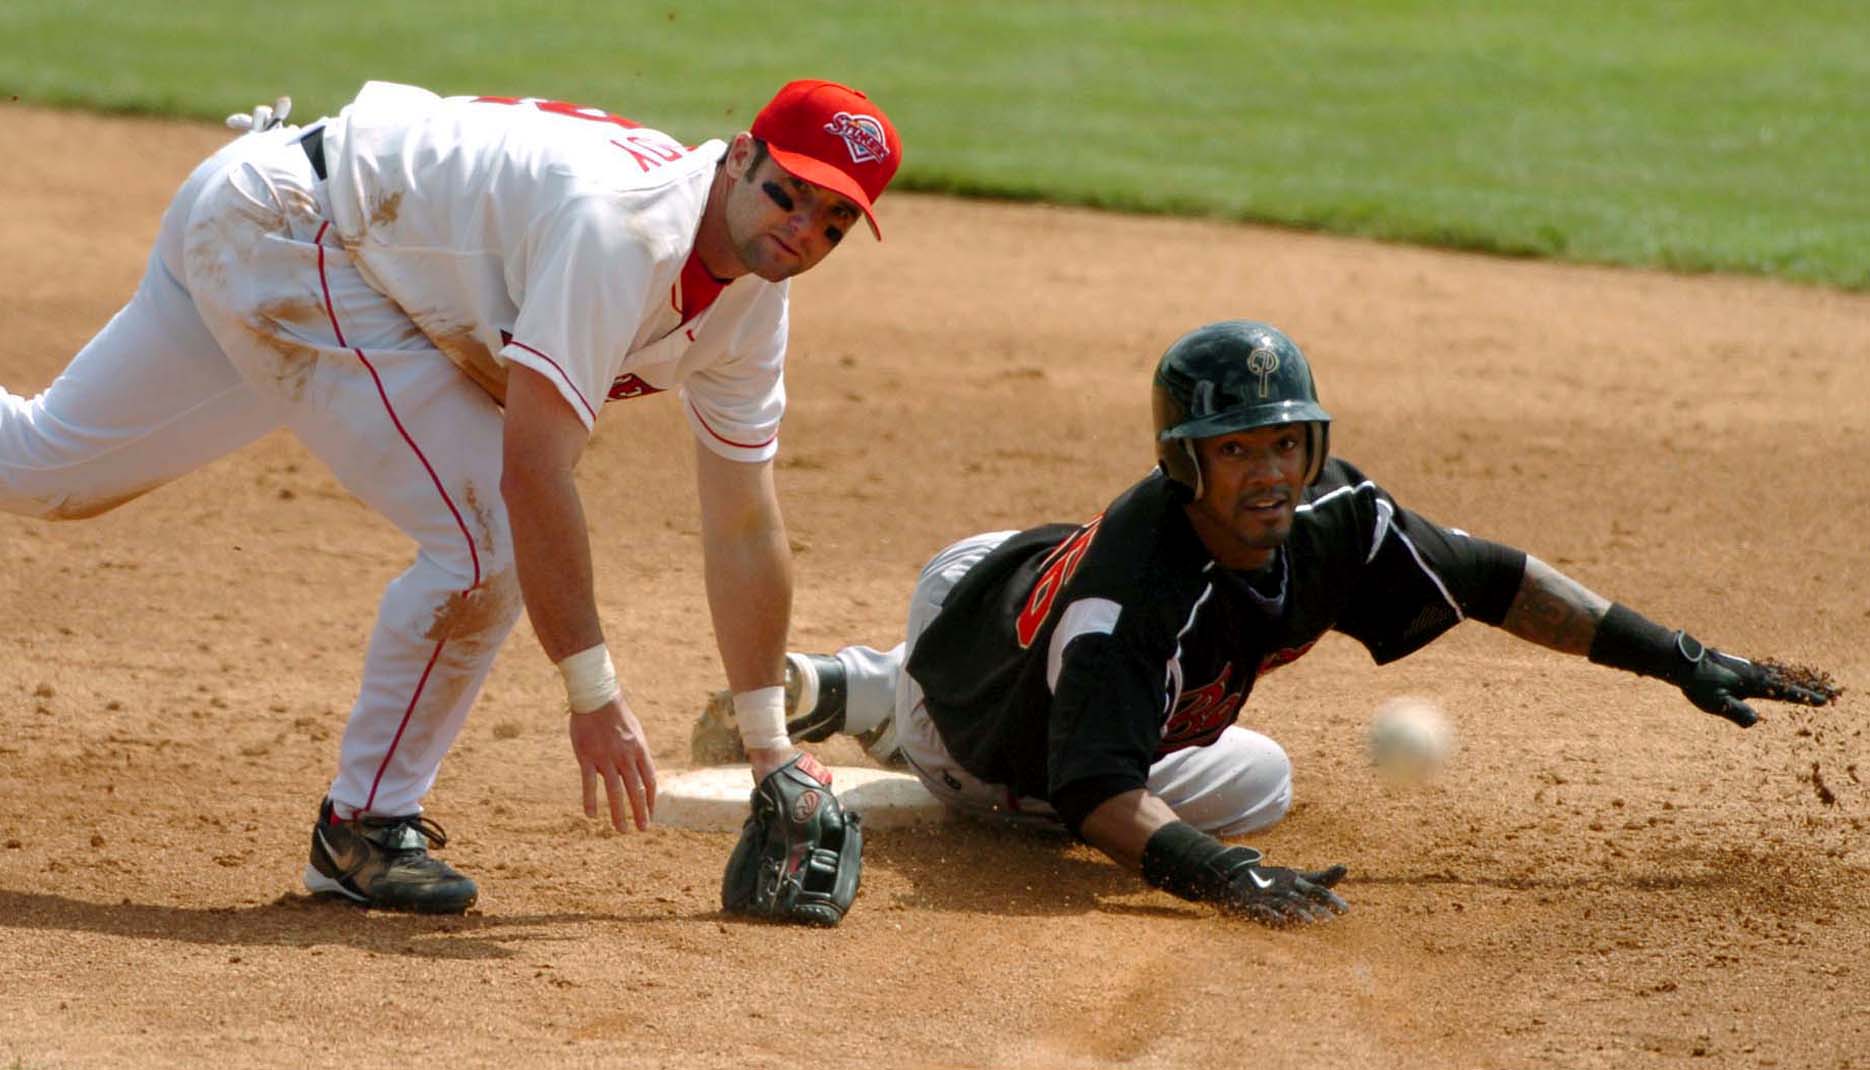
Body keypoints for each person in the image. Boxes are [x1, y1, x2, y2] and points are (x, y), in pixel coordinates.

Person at [0, 78, 903, 913]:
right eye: (789, 190)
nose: (801, 228)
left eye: (831, 220)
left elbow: (744, 521)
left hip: (311, 230)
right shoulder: (625, 232)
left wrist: (768, 744)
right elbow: (532, 472)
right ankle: (363, 828)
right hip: (291, 229)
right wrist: (592, 694)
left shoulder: (751, 307)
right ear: (741, 156)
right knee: (488, 541)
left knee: (44, 470)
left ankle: (365, 822)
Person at [691, 319, 1840, 927]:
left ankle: (862, 686)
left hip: (1019, 567)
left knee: (1262, 781)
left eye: (1283, 442)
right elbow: (1094, 790)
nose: (1267, 473)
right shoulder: (1133, 597)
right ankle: (867, 694)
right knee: (1021, 798)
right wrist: (1219, 880)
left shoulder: (1337, 517)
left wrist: (1673, 652)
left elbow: (1495, 577)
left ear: (1312, 444)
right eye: (1236, 449)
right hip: (986, 668)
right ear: (1186, 463)